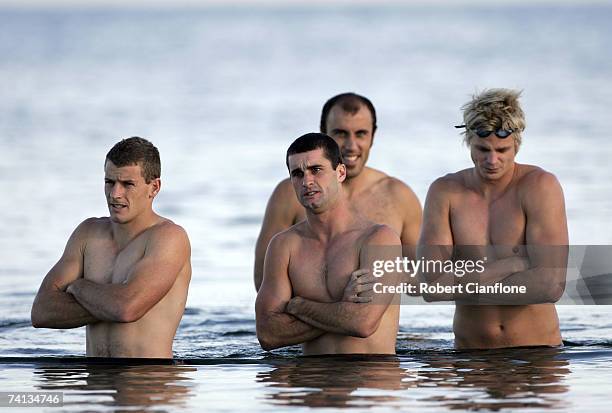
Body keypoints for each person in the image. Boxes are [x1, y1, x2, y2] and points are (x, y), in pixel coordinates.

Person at [418, 89, 568, 349]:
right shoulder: (446, 191)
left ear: (516, 145)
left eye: (502, 150)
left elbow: (550, 286)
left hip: (537, 355)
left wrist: (461, 283)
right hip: (470, 356)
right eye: (482, 149)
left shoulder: (540, 186)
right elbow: (430, 286)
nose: (491, 160)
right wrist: (511, 265)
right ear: (468, 142)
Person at [31, 137, 191, 358]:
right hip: (95, 386)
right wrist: (110, 304)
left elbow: (127, 309)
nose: (115, 194)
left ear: (154, 188)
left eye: (128, 184)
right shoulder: (87, 233)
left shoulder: (169, 238)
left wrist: (79, 287)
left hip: (149, 382)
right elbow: (41, 311)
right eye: (109, 182)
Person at [254, 93, 421, 291]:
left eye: (360, 134)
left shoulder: (398, 196)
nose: (351, 146)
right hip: (307, 320)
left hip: (373, 319)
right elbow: (263, 280)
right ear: (323, 135)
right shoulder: (290, 193)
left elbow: (427, 281)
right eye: (341, 133)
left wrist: (380, 278)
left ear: (373, 136)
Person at [255, 133, 402, 355]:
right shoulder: (284, 246)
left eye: (316, 170)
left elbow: (362, 323)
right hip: (311, 380)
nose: (307, 181)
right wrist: (340, 308)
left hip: (370, 377)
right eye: (297, 174)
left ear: (340, 172)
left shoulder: (378, 239)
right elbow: (268, 334)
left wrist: (300, 306)